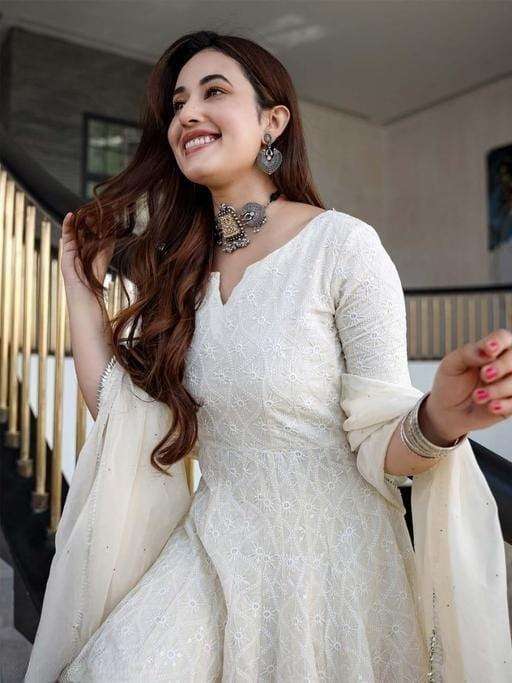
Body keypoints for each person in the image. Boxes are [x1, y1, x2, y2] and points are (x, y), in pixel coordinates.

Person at [25, 30, 511, 682]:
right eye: (177, 103)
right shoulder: (183, 275)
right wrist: (79, 289)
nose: (188, 113)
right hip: (209, 553)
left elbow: (381, 447)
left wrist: (440, 418)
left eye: (214, 92)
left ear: (272, 122)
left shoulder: (342, 247)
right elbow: (125, 414)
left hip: (332, 575)